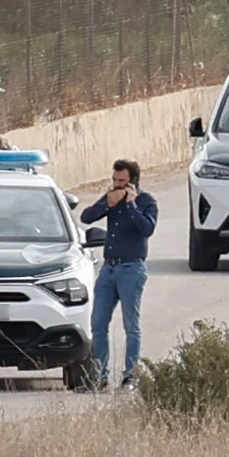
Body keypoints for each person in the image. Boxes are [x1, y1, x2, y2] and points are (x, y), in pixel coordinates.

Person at [78, 160, 155, 388]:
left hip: (132, 268)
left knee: (131, 325)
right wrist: (106, 205)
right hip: (109, 268)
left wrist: (131, 205)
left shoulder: (146, 202)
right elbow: (86, 217)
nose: (117, 185)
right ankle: (99, 378)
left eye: (122, 181)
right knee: (98, 323)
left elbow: (147, 229)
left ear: (133, 181)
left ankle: (130, 376)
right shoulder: (111, 198)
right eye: (114, 180)